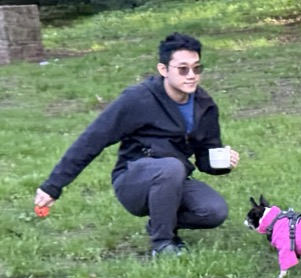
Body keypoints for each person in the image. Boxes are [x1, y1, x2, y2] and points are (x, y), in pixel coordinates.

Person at [34, 32, 240, 257]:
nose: (191, 75)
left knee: (213, 211)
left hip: (175, 178)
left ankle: (161, 222)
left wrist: (222, 163)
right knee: (170, 167)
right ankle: (163, 243)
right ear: (163, 69)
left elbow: (204, 158)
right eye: (183, 69)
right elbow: (92, 139)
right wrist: (53, 185)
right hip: (133, 181)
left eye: (196, 68)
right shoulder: (138, 99)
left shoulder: (204, 105)